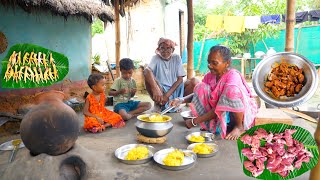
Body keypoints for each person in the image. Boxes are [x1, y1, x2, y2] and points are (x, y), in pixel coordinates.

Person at [170, 45, 258, 140]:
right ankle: (213, 124)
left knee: (231, 91)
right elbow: (198, 95)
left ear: (227, 63)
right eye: (209, 62)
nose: (210, 66)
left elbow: (220, 107)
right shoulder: (210, 76)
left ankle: (239, 126)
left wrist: (194, 121)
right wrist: (181, 100)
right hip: (220, 111)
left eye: (214, 63)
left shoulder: (233, 77)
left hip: (238, 113)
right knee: (200, 87)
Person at [144, 37, 199, 112]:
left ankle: (178, 104)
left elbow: (180, 79)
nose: (165, 51)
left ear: (172, 49)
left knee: (195, 81)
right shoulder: (155, 58)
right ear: (158, 49)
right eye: (162, 48)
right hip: (161, 89)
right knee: (148, 78)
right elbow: (147, 71)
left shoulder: (176, 57)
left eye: (168, 48)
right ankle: (158, 104)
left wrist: (167, 95)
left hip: (175, 88)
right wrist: (156, 89)